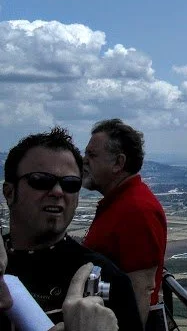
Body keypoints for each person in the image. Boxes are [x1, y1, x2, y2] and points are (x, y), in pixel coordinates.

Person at [2, 127, 141, 331]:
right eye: (41, 180)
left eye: (70, 184)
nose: (58, 192)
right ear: (9, 192)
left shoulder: (110, 279)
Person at [83, 119, 167, 327]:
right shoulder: (121, 202)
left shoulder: (137, 209)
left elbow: (141, 289)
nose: (84, 161)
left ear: (118, 163)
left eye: (92, 155)